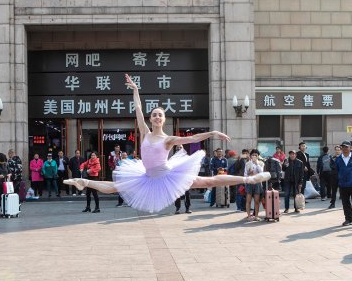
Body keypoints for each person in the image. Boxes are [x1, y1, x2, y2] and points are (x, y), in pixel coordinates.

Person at [64, 75, 269, 213]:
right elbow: (137, 108)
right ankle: (85, 182)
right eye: (154, 115)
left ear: (163, 119)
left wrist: (213, 132)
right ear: (151, 118)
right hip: (146, 176)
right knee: (116, 187)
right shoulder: (144, 132)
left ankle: (249, 180)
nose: (156, 117)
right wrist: (135, 90)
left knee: (208, 181)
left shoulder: (168, 139)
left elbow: (192, 139)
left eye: (160, 115)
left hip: (169, 175)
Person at [245, 149, 265, 221]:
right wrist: (249, 174)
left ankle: (256, 216)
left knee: (257, 201)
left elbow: (261, 172)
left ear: (258, 156)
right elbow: (245, 174)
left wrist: (256, 164)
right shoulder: (247, 163)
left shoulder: (261, 163)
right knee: (248, 200)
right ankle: (249, 216)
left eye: (256, 155)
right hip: (249, 183)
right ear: (250, 156)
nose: (254, 156)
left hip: (257, 183)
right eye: (253, 155)